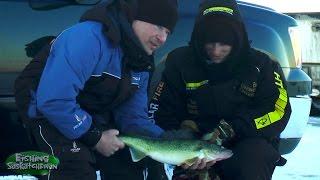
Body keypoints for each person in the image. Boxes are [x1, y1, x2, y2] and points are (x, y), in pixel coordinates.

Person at [14, 0, 178, 179]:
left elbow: (132, 117)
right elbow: (54, 99)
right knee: (75, 170)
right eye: (158, 26)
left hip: (88, 110)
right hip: (44, 105)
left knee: (127, 168)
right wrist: (95, 137)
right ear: (134, 17)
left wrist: (171, 143)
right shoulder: (89, 38)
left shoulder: (141, 61)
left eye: (168, 32)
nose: (163, 38)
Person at [149, 0, 292, 179]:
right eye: (209, 43)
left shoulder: (261, 65)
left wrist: (230, 129)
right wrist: (184, 139)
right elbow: (162, 112)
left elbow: (278, 110)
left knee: (253, 157)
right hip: (196, 144)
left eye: (225, 44)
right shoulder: (179, 62)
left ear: (238, 39)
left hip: (246, 143)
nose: (216, 51)